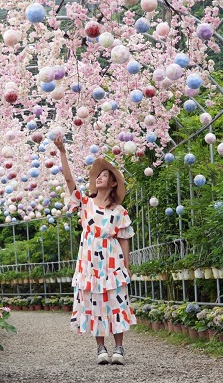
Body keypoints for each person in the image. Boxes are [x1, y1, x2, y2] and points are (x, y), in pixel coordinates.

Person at [54, 136, 136, 365]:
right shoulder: (85, 203)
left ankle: (119, 349)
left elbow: (124, 238)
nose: (100, 178)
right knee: (95, 304)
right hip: (89, 261)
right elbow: (69, 179)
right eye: (98, 175)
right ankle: (100, 348)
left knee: (116, 302)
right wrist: (62, 151)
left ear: (112, 184)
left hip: (112, 260)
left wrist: (127, 266)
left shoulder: (119, 211)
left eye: (105, 176)